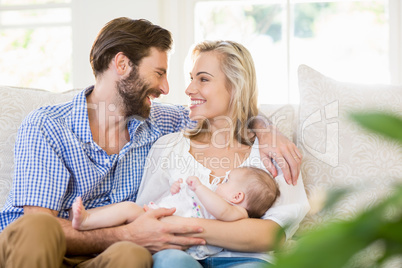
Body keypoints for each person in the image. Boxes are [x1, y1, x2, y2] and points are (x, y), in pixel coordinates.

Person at [0, 17, 302, 268]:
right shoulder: (49, 125)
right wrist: (129, 234)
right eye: (159, 73)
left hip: (100, 258)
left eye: (200, 78)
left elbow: (224, 113)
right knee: (42, 228)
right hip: (36, 250)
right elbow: (38, 224)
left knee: (132, 256)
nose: (169, 87)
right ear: (121, 65)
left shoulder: (160, 123)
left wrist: (264, 128)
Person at [136, 40, 311, 267]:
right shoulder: (168, 147)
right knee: (171, 261)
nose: (189, 89)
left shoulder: (272, 151)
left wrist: (181, 226)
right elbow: (148, 222)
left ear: (235, 87)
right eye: (191, 78)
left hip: (247, 260)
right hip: (181, 257)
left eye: (204, 79)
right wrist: (237, 228)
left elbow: (273, 234)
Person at [71, 166, 279, 231]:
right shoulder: (217, 200)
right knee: (126, 208)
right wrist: (177, 190)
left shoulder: (236, 212)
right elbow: (184, 203)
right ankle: (88, 217)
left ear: (237, 196)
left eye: (226, 180)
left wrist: (199, 187)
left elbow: (221, 211)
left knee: (127, 209)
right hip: (158, 214)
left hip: (164, 226)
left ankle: (87, 222)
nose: (219, 183)